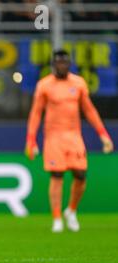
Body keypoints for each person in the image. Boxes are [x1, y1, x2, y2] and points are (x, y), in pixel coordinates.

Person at [25, 49, 114, 233]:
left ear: (69, 64)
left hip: (74, 135)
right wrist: (31, 140)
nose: (62, 66)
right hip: (54, 136)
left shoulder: (78, 83)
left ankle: (71, 210)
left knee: (80, 175)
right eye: (58, 63)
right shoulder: (45, 85)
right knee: (57, 176)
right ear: (53, 65)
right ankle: (57, 217)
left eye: (65, 63)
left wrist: (103, 134)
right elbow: (36, 113)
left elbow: (89, 110)